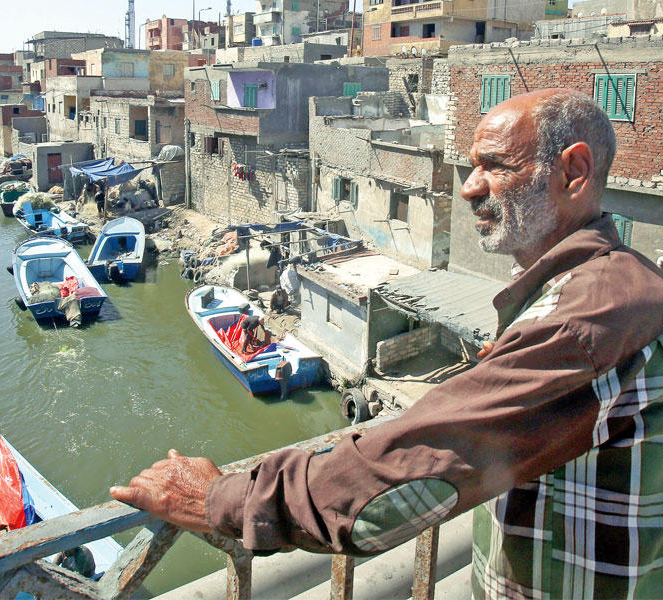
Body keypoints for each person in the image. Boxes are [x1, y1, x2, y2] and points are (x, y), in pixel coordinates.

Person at [109, 89, 663, 598]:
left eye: (495, 166)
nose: (470, 188)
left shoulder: (590, 317)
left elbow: (409, 469)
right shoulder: (597, 291)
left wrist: (220, 500)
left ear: (575, 171)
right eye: (471, 167)